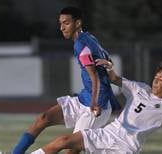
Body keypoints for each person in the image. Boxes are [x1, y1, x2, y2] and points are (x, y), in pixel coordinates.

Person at [12, 6, 120, 154]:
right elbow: (106, 57)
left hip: (95, 107)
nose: (62, 27)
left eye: (66, 23)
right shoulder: (89, 38)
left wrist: (94, 103)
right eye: (61, 23)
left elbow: (94, 77)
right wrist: (109, 64)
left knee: (70, 150)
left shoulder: (81, 44)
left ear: (77, 23)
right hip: (84, 98)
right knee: (44, 118)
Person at [31, 59, 162, 154]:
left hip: (125, 148)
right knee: (64, 141)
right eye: (156, 77)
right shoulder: (140, 88)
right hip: (106, 134)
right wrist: (108, 66)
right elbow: (114, 79)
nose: (156, 80)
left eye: (161, 79)